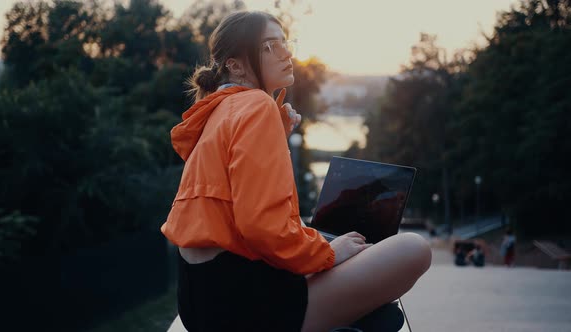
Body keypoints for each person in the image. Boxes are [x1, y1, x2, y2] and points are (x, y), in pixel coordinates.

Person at [161, 11, 431, 332]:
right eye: (270, 46)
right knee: (413, 250)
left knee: (381, 312)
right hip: (241, 306)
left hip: (201, 300)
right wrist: (326, 253)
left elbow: (233, 204)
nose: (287, 53)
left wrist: (276, 138)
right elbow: (260, 226)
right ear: (235, 64)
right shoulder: (256, 106)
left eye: (285, 43)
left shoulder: (220, 109)